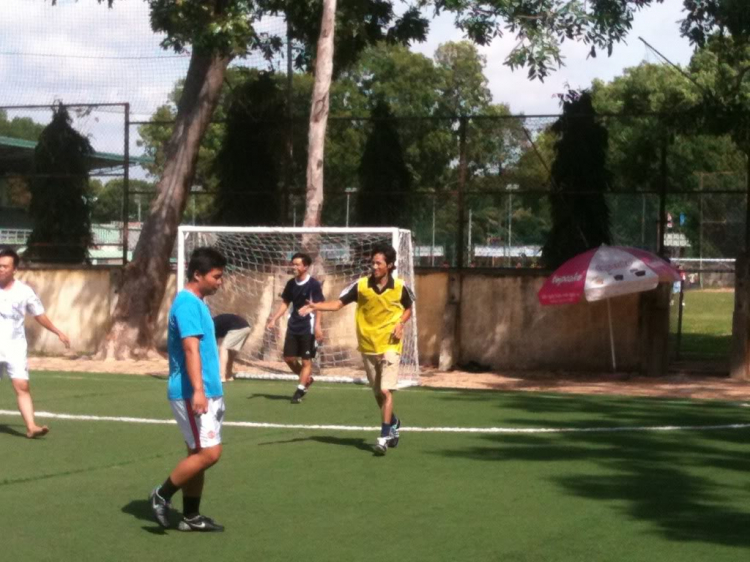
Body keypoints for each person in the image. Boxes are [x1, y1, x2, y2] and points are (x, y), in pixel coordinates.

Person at [300, 243, 414, 455]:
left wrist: (400, 323)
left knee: (385, 390)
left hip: (390, 345)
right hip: (368, 346)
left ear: (389, 265)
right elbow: (337, 304)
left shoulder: (400, 287)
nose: (374, 266)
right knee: (378, 396)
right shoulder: (360, 286)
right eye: (372, 262)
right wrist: (316, 306)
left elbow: (408, 308)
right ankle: (394, 424)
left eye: (378, 263)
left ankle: (383, 438)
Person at [150, 247, 227, 532]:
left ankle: (191, 517)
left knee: (198, 454)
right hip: (192, 391)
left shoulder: (197, 302)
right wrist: (198, 390)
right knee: (209, 454)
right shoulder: (186, 304)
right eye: (216, 276)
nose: (220, 282)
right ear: (198, 274)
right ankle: (161, 494)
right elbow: (190, 348)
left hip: (206, 390)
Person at [0, 247, 70, 438]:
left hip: (14, 348)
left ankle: (31, 427)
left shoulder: (24, 292)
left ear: (15, 269)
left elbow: (39, 315)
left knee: (22, 386)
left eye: (5, 266)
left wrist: (57, 332)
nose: (1, 269)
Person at [266, 252, 324, 404]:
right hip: (293, 326)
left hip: (308, 327)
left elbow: (319, 306)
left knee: (306, 361)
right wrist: (274, 319)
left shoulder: (313, 284)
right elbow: (285, 303)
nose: (294, 267)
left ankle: (299, 390)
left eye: (297, 264)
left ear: (305, 266)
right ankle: (306, 379)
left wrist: (317, 326)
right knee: (288, 358)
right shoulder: (291, 284)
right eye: (293, 264)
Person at [212, 313, 251, 383]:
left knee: (223, 348)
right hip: (247, 328)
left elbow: (213, 345)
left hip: (238, 328)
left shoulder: (211, 326)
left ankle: (221, 376)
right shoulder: (216, 323)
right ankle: (229, 375)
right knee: (229, 350)